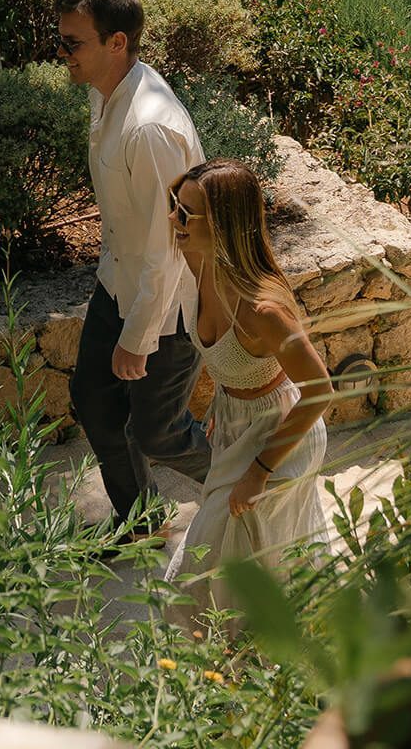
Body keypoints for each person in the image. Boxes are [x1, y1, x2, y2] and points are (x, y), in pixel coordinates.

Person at [58, 0, 212, 541]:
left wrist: (137, 338)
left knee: (161, 433)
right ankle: (141, 520)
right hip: (117, 282)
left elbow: (164, 252)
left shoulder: (148, 127)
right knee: (94, 401)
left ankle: (252, 485)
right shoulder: (108, 96)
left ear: (116, 43)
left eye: (73, 42)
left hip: (164, 306)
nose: (62, 53)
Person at [162, 158, 331, 617]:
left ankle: (244, 662)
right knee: (245, 561)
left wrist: (259, 469)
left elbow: (320, 389)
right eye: (175, 205)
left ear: (222, 223)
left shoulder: (263, 310)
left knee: (210, 567)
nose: (173, 218)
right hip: (235, 429)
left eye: (186, 213)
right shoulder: (198, 269)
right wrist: (225, 396)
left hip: (279, 440)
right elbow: (224, 358)